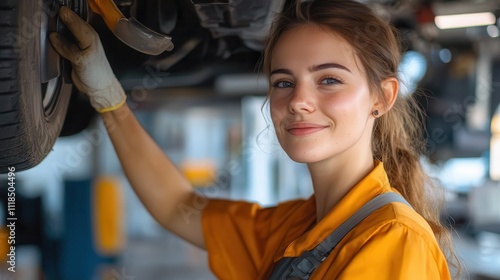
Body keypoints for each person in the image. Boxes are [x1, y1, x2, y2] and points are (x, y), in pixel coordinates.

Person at [50, 0, 459, 279]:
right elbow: (179, 208)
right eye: (283, 82)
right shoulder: (298, 227)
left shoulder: (393, 240)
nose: (298, 101)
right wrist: (108, 97)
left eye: (328, 80)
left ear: (381, 97)